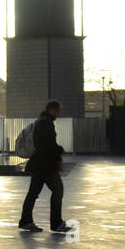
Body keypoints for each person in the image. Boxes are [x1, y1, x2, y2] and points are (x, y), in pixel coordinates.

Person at [19, 100, 74, 234]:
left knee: (33, 193)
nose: (59, 113)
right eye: (58, 111)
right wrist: (60, 152)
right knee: (58, 190)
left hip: (39, 164)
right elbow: (48, 145)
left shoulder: (41, 121)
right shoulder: (46, 123)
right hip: (45, 165)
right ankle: (56, 223)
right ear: (52, 110)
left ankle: (26, 221)